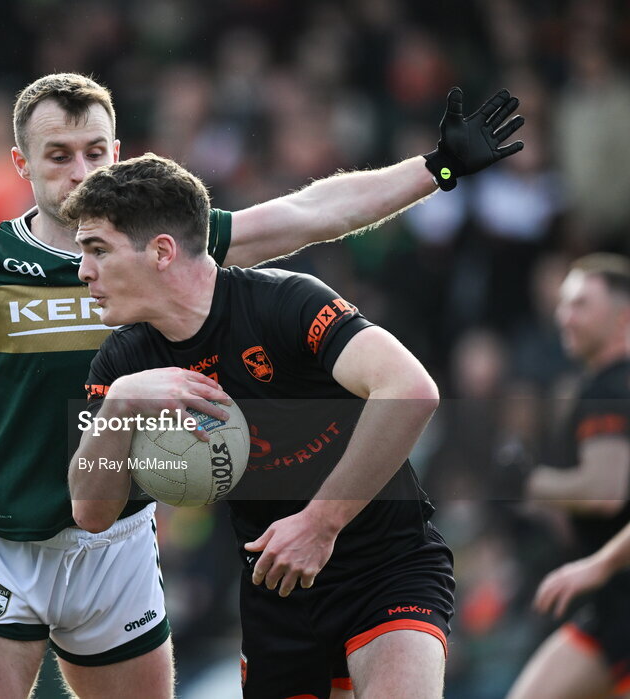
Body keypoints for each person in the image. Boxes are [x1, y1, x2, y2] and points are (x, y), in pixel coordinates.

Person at [0, 74, 522, 698]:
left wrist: (435, 170)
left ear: (122, 151)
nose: (79, 170)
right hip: (10, 536)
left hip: (117, 541)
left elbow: (312, 213)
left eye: (97, 151)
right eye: (59, 154)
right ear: (22, 164)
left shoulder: (166, 243)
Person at [66, 154, 454, 699]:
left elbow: (410, 391)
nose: (83, 271)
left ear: (160, 251)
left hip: (384, 568)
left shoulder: (285, 301)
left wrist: (321, 524)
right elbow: (91, 511)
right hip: (276, 593)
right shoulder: (122, 365)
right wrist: (120, 406)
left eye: (98, 250)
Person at [507, 254, 630, 699]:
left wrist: (530, 485)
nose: (565, 317)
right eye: (563, 304)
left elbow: (604, 493)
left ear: (623, 317)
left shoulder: (611, 389)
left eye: (580, 304)